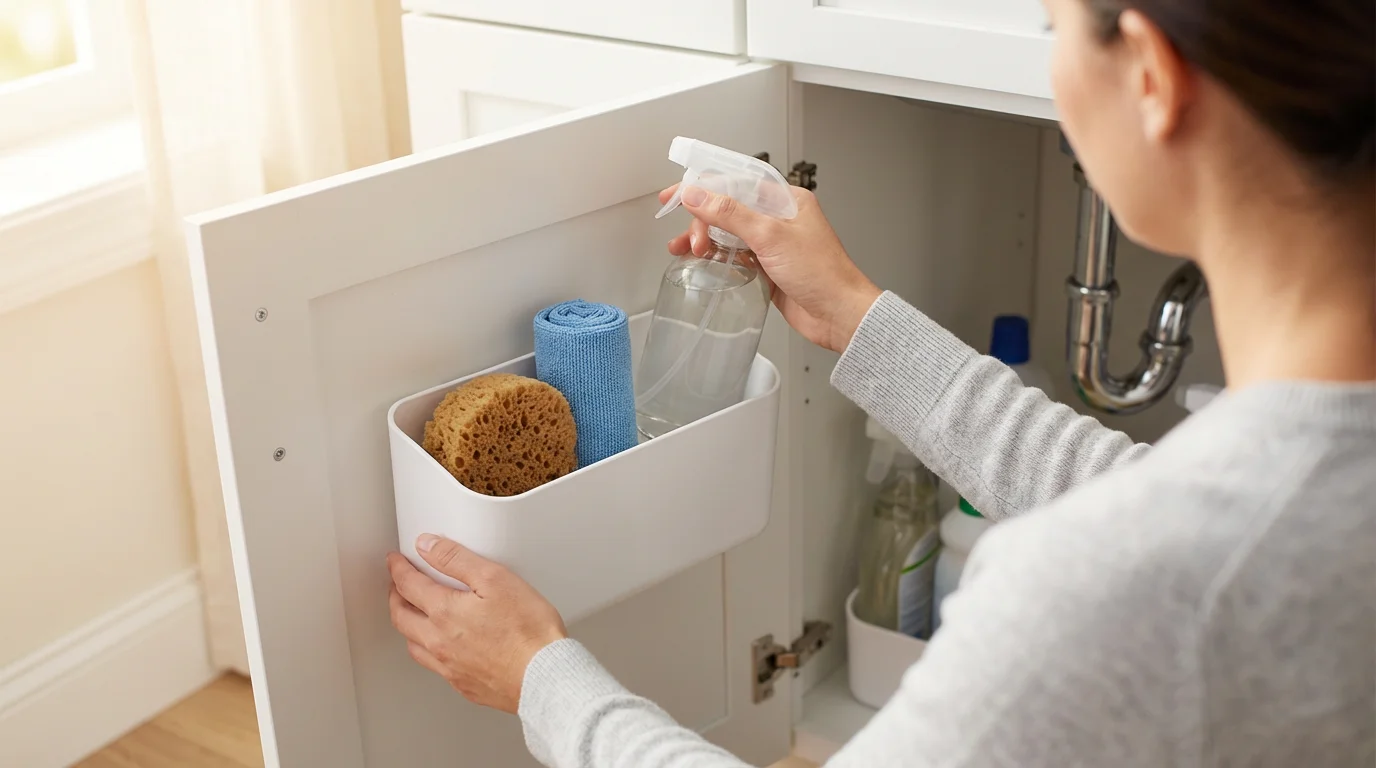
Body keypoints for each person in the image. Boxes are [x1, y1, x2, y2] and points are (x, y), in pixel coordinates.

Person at [385, 0, 1376, 764]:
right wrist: (850, 313)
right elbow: (1158, 503)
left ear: (1153, 80)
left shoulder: (1097, 594)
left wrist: (540, 679)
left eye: (1054, 27)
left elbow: (1161, 554)